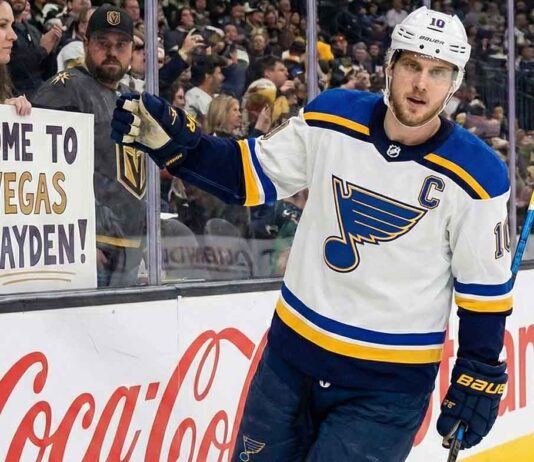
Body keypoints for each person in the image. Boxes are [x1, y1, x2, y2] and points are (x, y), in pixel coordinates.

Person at [112, 7, 512, 461]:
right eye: (412, 66)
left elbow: (484, 293)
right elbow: (249, 174)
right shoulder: (334, 117)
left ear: (454, 82)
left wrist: (479, 370)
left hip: (385, 392)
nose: (421, 84)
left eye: (438, 72)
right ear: (390, 66)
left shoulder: (478, 176)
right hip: (289, 364)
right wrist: (180, 147)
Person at [33, 4, 146, 288]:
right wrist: (76, 242)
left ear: (132, 49)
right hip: (93, 247)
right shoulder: (65, 88)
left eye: (121, 45)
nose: (112, 52)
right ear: (85, 43)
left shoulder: (128, 97)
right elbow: (44, 174)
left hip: (129, 245)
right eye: (102, 43)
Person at [0, 0, 31, 114]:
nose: (13, 36)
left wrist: (7, 109)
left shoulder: (4, 77)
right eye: (2, 25)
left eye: (11, 25)